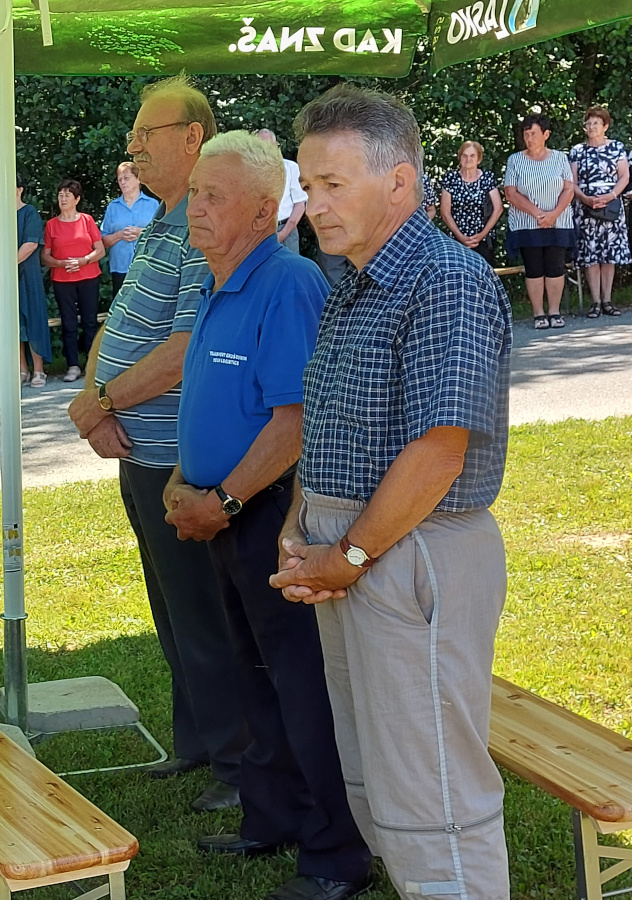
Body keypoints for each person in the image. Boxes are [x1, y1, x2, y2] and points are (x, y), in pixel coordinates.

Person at [276, 84, 513, 900]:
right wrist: (301, 524)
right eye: (308, 186)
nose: (313, 205)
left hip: (412, 555)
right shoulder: (350, 281)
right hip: (359, 554)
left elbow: (439, 453)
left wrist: (347, 551)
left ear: (402, 184)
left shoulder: (447, 280)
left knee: (435, 795)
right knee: (385, 783)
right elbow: (328, 422)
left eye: (333, 184)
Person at [169, 131, 371, 900]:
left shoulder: (285, 283)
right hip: (224, 515)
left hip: (267, 518)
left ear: (262, 211)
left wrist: (220, 500)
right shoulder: (218, 281)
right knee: (258, 675)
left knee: (300, 682)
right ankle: (273, 816)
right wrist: (185, 484)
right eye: (195, 193)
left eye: (213, 195)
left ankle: (336, 853)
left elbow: (295, 419)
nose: (196, 208)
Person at [67, 74, 248, 814]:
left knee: (206, 613)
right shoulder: (162, 223)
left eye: (148, 132)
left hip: (181, 457)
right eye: (136, 134)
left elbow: (183, 348)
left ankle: (239, 766)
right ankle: (199, 742)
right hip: (138, 450)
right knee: (171, 608)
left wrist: (103, 401)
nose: (134, 145)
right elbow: (116, 324)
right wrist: (94, 398)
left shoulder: (202, 230)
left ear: (192, 137)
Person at [504, 113, 576, 330]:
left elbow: (569, 188)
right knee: (534, 268)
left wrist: (553, 214)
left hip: (558, 221)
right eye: (526, 134)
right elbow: (510, 193)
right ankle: (538, 314)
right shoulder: (515, 160)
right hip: (527, 223)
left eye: (533, 133)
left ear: (546, 134)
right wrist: (537, 214)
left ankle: (554, 312)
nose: (529, 138)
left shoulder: (560, 158)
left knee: (555, 266)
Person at [0, 173, 52, 387]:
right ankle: (21, 369)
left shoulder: (29, 212)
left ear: (20, 189)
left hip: (26, 276)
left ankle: (39, 370)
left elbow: (31, 245)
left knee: (32, 319)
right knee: (10, 324)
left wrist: (4, 265)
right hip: (1, 280)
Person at [569, 106, 629, 317]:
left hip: (611, 208)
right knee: (591, 256)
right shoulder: (577, 150)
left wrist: (611, 195)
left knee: (609, 256)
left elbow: (624, 176)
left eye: (596, 123)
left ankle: (607, 300)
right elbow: (571, 182)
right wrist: (585, 198)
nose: (592, 126)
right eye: (589, 123)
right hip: (587, 209)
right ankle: (594, 302)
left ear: (605, 126)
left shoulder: (616, 147)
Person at [43, 179, 105, 382]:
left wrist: (83, 260)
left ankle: (92, 364)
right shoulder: (51, 225)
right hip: (62, 279)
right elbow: (45, 256)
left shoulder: (87, 220)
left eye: (67, 195)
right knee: (68, 323)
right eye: (60, 195)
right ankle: (72, 366)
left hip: (88, 277)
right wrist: (61, 264)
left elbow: (100, 250)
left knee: (89, 321)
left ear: (77, 199)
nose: (63, 198)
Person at [440, 141, 503, 266]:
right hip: (456, 240)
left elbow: (498, 209)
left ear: (479, 159)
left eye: (472, 155)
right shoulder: (451, 178)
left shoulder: (487, 178)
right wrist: (460, 237)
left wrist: (481, 235)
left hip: (483, 239)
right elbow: (445, 212)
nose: (468, 159)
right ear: (460, 157)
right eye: (464, 155)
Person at [100, 162, 158, 295]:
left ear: (138, 179)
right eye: (120, 179)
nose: (122, 182)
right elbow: (103, 241)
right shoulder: (113, 207)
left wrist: (141, 233)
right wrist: (119, 235)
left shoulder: (153, 204)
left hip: (147, 266)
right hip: (120, 268)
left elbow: (162, 235)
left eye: (126, 178)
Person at [256, 129, 307, 253]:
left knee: (292, 270)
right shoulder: (249, 172)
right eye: (260, 146)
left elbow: (300, 204)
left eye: (268, 145)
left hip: (288, 229)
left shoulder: (291, 168)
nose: (265, 150)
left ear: (276, 146)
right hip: (259, 230)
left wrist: (283, 233)